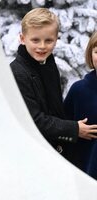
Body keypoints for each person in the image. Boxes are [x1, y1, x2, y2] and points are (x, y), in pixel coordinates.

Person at [10, 8, 97, 157]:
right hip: (33, 152)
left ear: (56, 40)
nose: (42, 46)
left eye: (48, 40)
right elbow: (32, 120)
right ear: (22, 38)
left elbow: (56, 109)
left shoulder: (48, 65)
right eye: (35, 40)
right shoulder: (18, 73)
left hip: (53, 150)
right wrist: (74, 129)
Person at [64, 31, 97, 179]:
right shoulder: (79, 90)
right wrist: (74, 129)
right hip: (85, 174)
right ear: (90, 54)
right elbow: (61, 127)